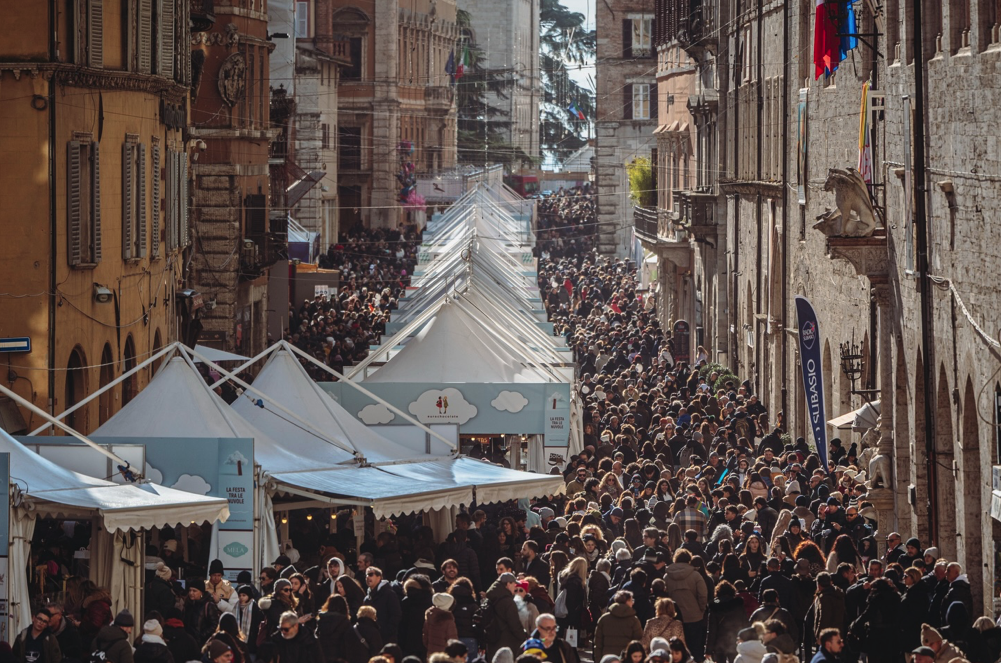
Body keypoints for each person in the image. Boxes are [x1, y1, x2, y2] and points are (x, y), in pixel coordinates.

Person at [665, 550, 708, 661]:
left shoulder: (667, 576)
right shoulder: (695, 575)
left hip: (673, 617)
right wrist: (701, 610)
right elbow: (703, 594)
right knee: (696, 648)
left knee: (676, 648)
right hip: (694, 616)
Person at [484, 573, 527, 659]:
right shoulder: (508, 602)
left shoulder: (490, 599)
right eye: (514, 584)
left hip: (492, 643)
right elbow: (514, 625)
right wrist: (524, 637)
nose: (515, 587)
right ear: (508, 584)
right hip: (506, 644)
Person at [705, 581, 749, 663]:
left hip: (719, 643)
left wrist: (708, 650)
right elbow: (745, 624)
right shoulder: (738, 604)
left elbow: (712, 630)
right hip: (735, 641)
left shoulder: (714, 606)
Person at [593, 591, 643, 661]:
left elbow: (598, 643)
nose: (633, 603)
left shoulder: (604, 619)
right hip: (626, 658)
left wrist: (598, 659)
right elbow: (638, 641)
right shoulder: (634, 620)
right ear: (627, 601)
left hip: (607, 658)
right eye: (632, 600)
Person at [363, 567, 402, 644]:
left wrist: (386, 632)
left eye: (370, 574)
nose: (367, 577)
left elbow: (396, 615)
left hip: (386, 639)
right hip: (371, 639)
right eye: (366, 575)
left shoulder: (389, 594)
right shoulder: (367, 598)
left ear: (379, 577)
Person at [184, 579, 222, 645]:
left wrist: (201, 635)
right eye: (190, 590)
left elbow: (214, 625)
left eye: (194, 591)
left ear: (201, 592)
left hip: (202, 642)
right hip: (189, 642)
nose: (191, 593)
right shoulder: (188, 604)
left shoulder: (208, 605)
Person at [233, 585, 264, 656]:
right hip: (239, 639)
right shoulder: (236, 607)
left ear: (249, 596)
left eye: (244, 595)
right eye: (240, 595)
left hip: (251, 639)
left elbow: (257, 623)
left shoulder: (255, 607)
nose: (241, 597)